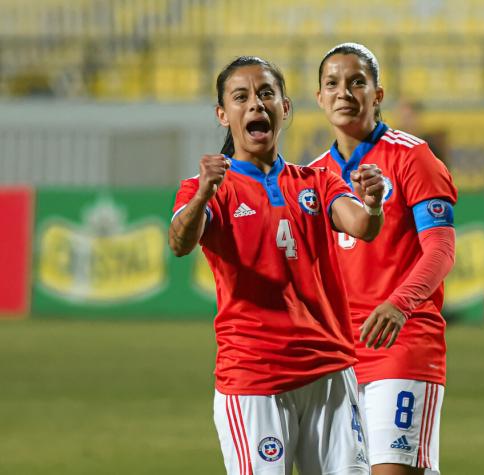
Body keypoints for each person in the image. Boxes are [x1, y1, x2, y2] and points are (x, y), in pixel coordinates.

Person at [168, 55, 386, 475]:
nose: (255, 104)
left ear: (285, 108)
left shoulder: (317, 181)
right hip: (255, 379)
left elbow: (362, 226)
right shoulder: (207, 189)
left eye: (266, 94)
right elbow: (180, 242)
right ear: (222, 113)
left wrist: (374, 205)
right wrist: (202, 198)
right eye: (241, 96)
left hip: (330, 372)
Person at [310, 43, 458, 475]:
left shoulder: (413, 157)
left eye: (357, 82)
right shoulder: (315, 175)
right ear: (319, 98)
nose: (344, 93)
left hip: (402, 342)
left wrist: (400, 303)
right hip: (338, 356)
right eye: (332, 84)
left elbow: (441, 249)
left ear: (377, 94)